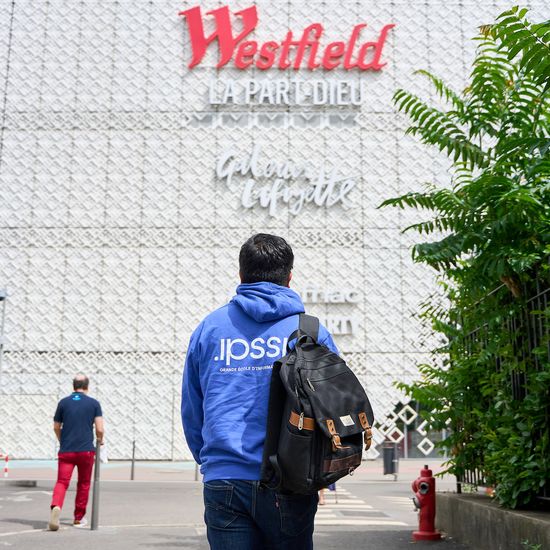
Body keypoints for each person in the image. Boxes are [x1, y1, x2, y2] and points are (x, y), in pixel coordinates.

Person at [182, 233, 338, 550]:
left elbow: (192, 407)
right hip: (291, 477)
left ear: (241, 275)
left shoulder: (210, 329)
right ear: (289, 277)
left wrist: (211, 460)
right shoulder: (310, 331)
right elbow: (333, 404)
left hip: (225, 477)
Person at [48, 374, 104, 531]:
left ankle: (56, 506)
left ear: (73, 386)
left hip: (66, 450)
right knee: (83, 483)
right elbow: (100, 428)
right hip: (86, 451)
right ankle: (78, 518)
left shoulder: (63, 403)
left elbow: (56, 426)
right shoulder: (94, 403)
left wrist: (62, 440)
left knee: (62, 482)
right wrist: (100, 440)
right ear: (87, 386)